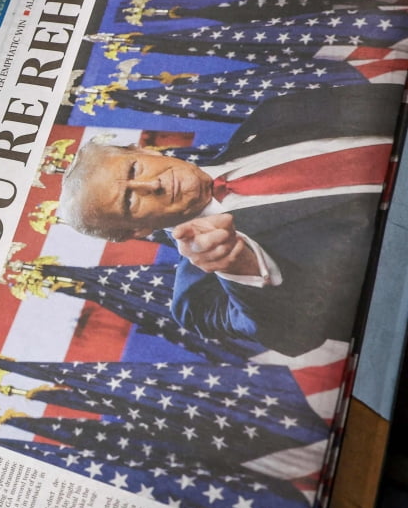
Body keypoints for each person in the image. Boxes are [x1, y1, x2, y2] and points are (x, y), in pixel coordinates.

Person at [58, 84, 401, 356]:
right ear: (137, 230)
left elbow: (388, 101)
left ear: (146, 151)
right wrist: (240, 265)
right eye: (130, 200)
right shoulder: (199, 299)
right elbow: (295, 334)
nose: (153, 185)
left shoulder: (272, 115)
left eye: (135, 170)